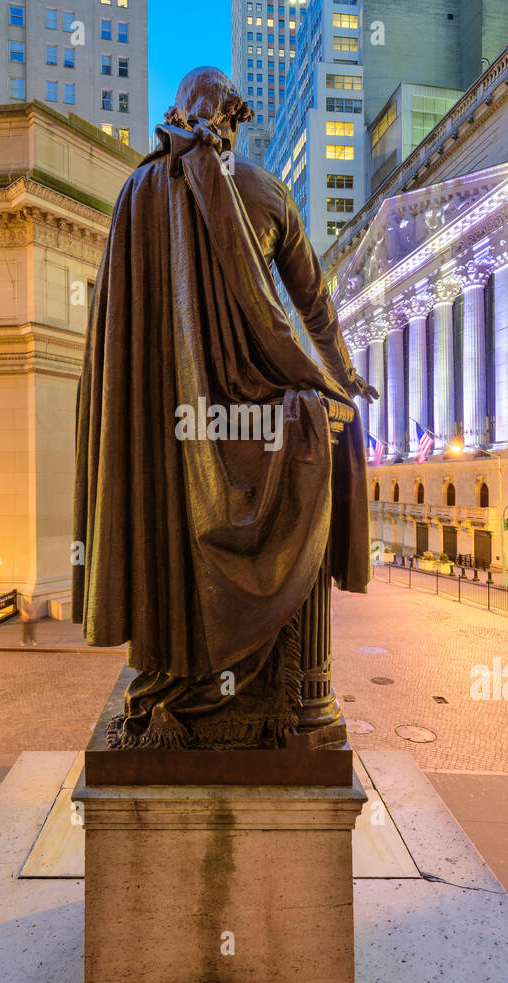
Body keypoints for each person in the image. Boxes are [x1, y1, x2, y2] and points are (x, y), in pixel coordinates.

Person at [72, 67, 376, 748]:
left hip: (163, 427)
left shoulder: (138, 191)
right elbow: (313, 307)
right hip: (261, 412)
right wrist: (341, 381)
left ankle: (174, 668)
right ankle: (288, 700)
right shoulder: (268, 191)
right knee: (322, 432)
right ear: (236, 119)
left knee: (169, 510)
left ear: (175, 114)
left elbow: (119, 337)